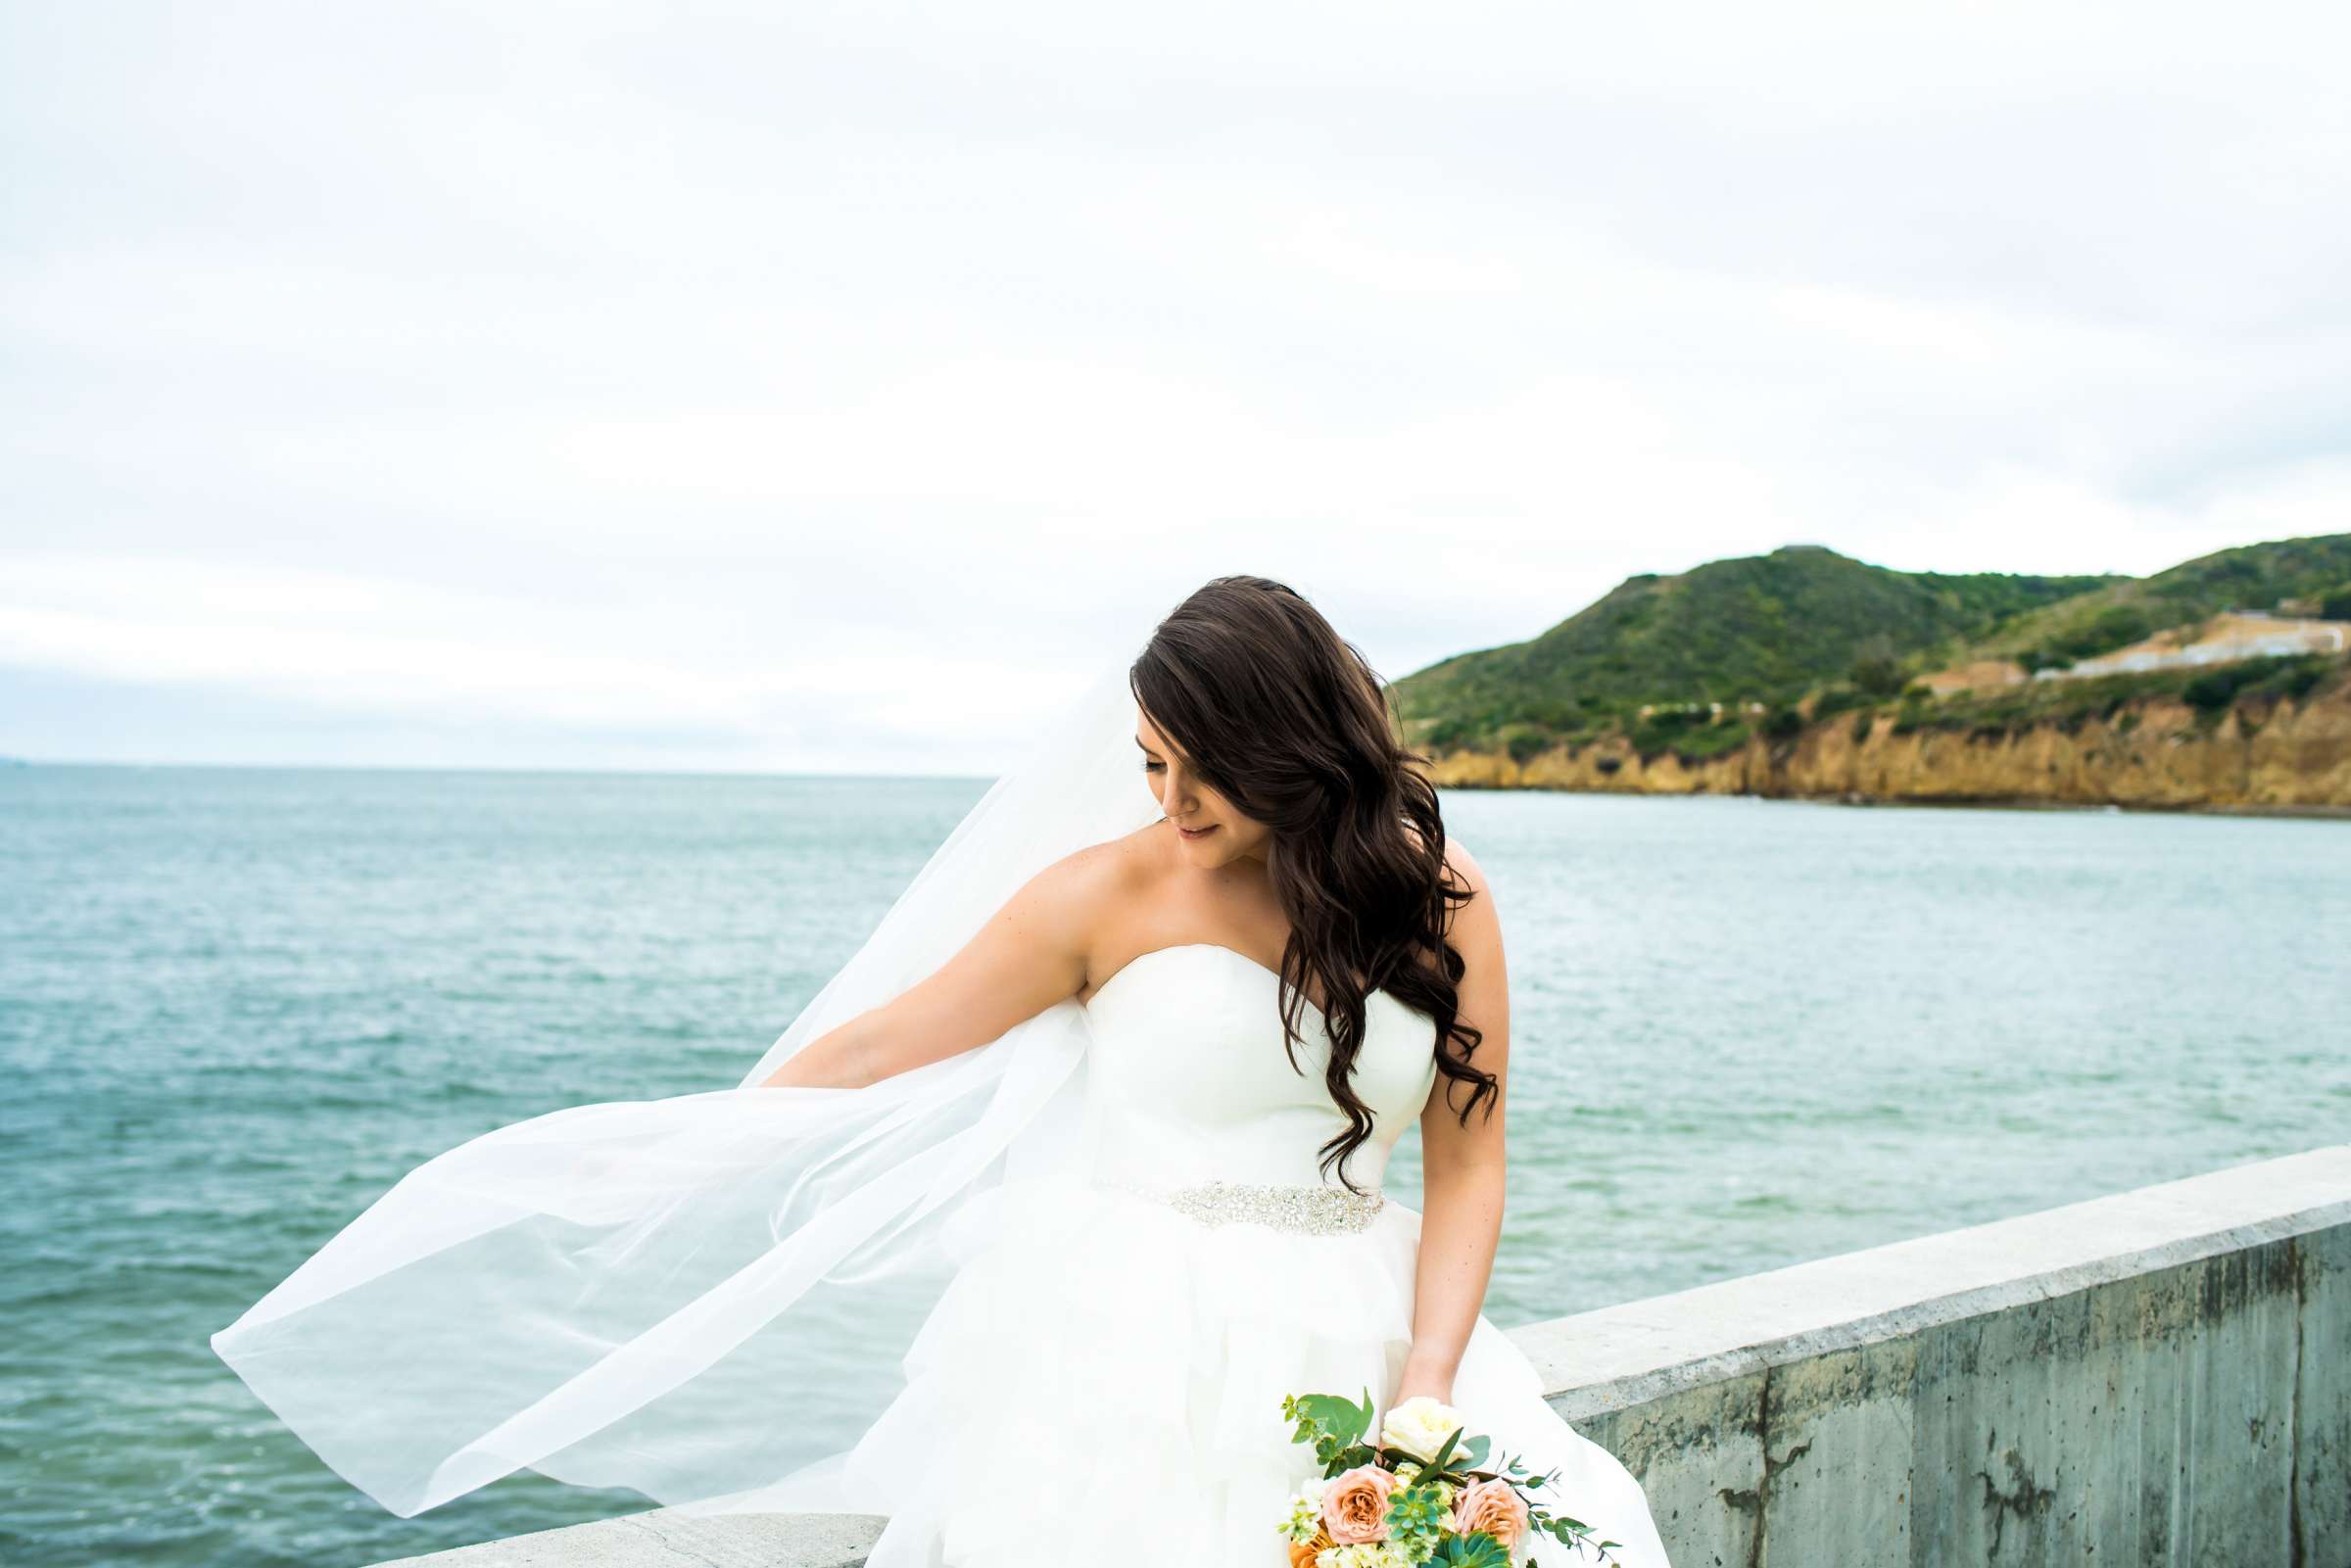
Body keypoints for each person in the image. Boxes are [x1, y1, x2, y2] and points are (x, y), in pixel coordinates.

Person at [214, 575, 1673, 1567]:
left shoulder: (1441, 892)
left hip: (1373, 1338)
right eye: (1149, 763)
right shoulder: (1100, 894)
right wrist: (671, 1152)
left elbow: (1469, 1159)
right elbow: (879, 1042)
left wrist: (1426, 1393)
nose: (1164, 802)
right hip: (1125, 1354)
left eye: (1194, 771)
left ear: (1289, 747)